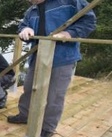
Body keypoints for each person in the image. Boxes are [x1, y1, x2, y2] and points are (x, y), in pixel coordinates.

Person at [7, 0, 96, 137]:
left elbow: (88, 20)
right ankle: (24, 115)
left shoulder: (70, 1)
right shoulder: (31, 11)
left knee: (54, 94)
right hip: (37, 56)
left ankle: (47, 128)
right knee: (29, 88)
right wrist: (25, 30)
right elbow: (22, 27)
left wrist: (69, 33)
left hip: (62, 57)